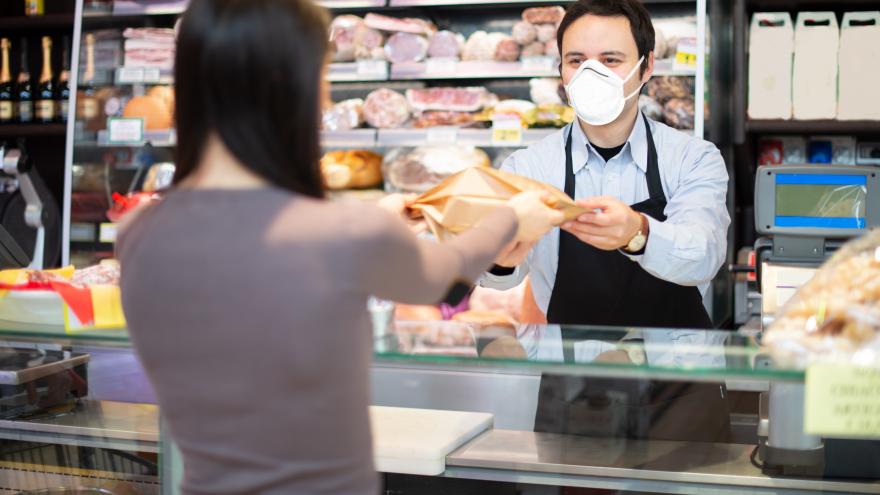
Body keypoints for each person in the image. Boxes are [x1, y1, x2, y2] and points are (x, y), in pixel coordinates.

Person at [116, 1, 563, 494]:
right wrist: (512, 217)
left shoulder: (139, 230)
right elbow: (449, 278)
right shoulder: (344, 236)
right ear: (293, 88)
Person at [479, 0, 733, 446]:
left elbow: (704, 255)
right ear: (561, 71)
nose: (591, 74)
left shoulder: (693, 157)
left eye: (611, 60)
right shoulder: (528, 167)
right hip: (575, 390)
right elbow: (499, 280)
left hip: (679, 391)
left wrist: (639, 234)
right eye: (577, 61)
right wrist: (499, 258)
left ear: (646, 65)